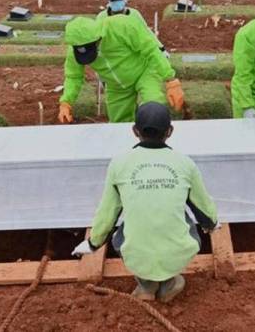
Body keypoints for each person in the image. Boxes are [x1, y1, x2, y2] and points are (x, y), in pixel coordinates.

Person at [72, 102, 218, 302]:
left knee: (122, 232)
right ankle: (169, 283)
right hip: (177, 252)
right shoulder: (185, 163)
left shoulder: (119, 164)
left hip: (136, 255)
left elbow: (108, 214)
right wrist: (211, 223)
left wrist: (93, 243)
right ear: (170, 131)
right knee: (183, 219)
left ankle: (146, 286)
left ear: (134, 131)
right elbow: (204, 209)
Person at [58, 15, 184, 123]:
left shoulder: (123, 27)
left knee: (153, 109)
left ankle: (156, 145)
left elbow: (150, 49)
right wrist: (66, 102)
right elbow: (73, 76)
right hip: (116, 85)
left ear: (98, 38)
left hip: (145, 71)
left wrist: (171, 80)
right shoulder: (75, 49)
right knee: (119, 124)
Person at [95, 0, 168, 55]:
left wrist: (161, 48)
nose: (116, 3)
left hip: (132, 55)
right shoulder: (102, 17)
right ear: (108, 0)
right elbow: (96, 36)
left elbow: (146, 32)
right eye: (113, 0)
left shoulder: (134, 14)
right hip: (112, 56)